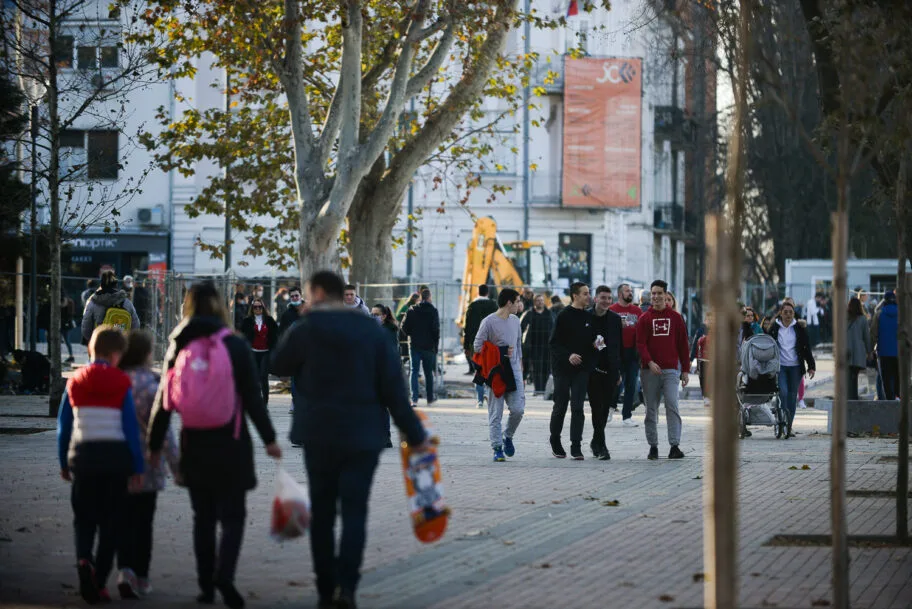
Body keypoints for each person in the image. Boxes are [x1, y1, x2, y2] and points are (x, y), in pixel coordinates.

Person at [271, 271, 430, 609]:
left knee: (324, 512)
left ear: (316, 293)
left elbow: (278, 364)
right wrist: (414, 434)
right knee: (355, 511)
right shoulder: (370, 330)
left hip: (319, 435)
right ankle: (348, 588)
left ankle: (325, 589)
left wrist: (298, 327)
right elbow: (393, 388)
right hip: (363, 436)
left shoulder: (307, 328)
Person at [148, 282, 280, 609]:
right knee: (233, 516)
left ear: (188, 306)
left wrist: (153, 445)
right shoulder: (234, 344)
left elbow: (164, 400)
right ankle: (226, 575)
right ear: (220, 306)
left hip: (194, 443)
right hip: (232, 442)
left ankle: (205, 586)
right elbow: (252, 398)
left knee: (202, 518)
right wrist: (270, 439)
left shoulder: (178, 344)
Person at [56, 326, 145, 604]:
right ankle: (101, 579)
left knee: (83, 520)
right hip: (115, 461)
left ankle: (84, 559)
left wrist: (64, 461)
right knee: (111, 523)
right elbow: (130, 428)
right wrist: (137, 465)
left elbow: (64, 427)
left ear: (91, 350)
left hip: (83, 459)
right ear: (116, 354)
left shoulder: (75, 380)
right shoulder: (120, 381)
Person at [116, 330, 181, 599]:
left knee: (122, 520)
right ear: (145, 354)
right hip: (147, 465)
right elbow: (164, 432)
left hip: (117, 463)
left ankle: (124, 570)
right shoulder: (153, 386)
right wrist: (178, 468)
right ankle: (141, 577)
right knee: (144, 523)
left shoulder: (115, 383)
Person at [636, 280, 690, 460]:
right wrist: (649, 362)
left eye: (660, 293)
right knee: (651, 410)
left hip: (671, 371)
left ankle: (674, 445)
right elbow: (640, 344)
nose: (656, 297)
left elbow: (683, 344)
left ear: (666, 296)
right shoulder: (644, 318)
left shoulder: (676, 318)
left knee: (672, 406)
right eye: (654, 294)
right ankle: (653, 446)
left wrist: (685, 369)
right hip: (649, 371)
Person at [473, 288, 525, 462]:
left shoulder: (516, 321)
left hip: (514, 370)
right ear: (509, 303)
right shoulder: (488, 322)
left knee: (518, 409)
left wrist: (520, 367)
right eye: (517, 301)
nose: (520, 304)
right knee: (496, 413)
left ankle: (507, 436)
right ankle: (497, 447)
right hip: (495, 371)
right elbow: (477, 346)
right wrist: (499, 351)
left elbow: (518, 346)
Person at [548, 282, 596, 460]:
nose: (588, 296)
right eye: (585, 293)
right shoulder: (563, 316)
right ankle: (555, 440)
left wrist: (597, 345)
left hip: (581, 369)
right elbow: (554, 343)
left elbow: (593, 342)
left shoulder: (589, 317)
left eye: (588, 293)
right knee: (560, 406)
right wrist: (568, 356)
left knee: (578, 407)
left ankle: (576, 445)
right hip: (562, 368)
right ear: (575, 296)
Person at [766, 300, 816, 437]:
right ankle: (781, 420)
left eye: (790, 312)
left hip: (795, 367)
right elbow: (767, 345)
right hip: (781, 366)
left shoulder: (799, 328)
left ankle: (789, 425)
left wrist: (811, 366)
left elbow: (807, 348)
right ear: (780, 313)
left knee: (793, 396)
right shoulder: (775, 328)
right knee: (783, 392)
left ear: (794, 314)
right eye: (785, 312)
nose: (788, 315)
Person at [588, 286, 623, 460]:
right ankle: (602, 446)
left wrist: (618, 371)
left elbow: (619, 345)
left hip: (610, 370)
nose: (607, 301)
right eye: (603, 297)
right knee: (596, 408)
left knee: (605, 409)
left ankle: (595, 441)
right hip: (592, 370)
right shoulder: (587, 317)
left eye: (609, 298)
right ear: (595, 299)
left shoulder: (615, 319)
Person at [610, 283, 643, 427]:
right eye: (627, 291)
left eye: (631, 291)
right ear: (619, 294)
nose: (630, 293)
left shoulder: (637, 310)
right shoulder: (612, 310)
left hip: (633, 352)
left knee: (631, 384)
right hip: (617, 352)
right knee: (616, 383)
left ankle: (627, 416)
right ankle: (610, 409)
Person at [401, 288, 440, 407]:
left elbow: (404, 327)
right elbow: (436, 330)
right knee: (428, 373)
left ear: (420, 297)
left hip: (414, 345)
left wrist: (410, 335)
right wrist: (435, 347)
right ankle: (429, 398)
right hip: (429, 347)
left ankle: (414, 399)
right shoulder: (433, 311)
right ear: (429, 297)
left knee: (414, 371)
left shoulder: (412, 309)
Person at [81, 270, 141, 343]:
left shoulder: (94, 301)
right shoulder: (125, 302)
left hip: (100, 341)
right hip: (120, 342)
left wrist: (91, 339)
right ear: (115, 283)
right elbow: (136, 324)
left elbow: (86, 325)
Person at [240, 298, 279, 406]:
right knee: (253, 377)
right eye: (255, 307)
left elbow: (276, 335)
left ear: (263, 307)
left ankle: (264, 402)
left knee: (263, 376)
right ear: (252, 309)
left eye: (259, 307)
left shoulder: (269, 320)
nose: (257, 309)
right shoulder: (247, 321)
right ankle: (253, 401)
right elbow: (242, 336)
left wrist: (274, 348)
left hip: (265, 352)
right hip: (252, 352)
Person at [464, 285, 498, 406]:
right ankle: (490, 395)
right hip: (492, 343)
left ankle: (479, 399)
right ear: (488, 293)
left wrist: (466, 346)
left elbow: (466, 327)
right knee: (491, 370)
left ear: (478, 292)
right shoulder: (494, 306)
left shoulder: (472, 306)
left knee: (479, 370)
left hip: (476, 343)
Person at [520, 294, 553, 395]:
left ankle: (544, 389)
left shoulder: (549, 314)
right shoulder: (529, 313)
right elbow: (520, 327)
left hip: (546, 346)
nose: (540, 302)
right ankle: (538, 389)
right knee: (536, 368)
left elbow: (554, 328)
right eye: (538, 300)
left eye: (542, 300)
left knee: (546, 368)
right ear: (534, 302)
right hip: (534, 346)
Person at [871, 290, 899, 399]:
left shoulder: (879, 314)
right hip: (899, 354)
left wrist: (870, 350)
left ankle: (889, 400)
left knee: (886, 379)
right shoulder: (903, 314)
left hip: (884, 353)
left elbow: (873, 334)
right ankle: (898, 398)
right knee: (898, 378)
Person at [846, 296, 872, 400]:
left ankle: (849, 396)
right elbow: (866, 336)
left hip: (846, 352)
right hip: (858, 352)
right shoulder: (863, 319)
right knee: (854, 375)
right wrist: (869, 351)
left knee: (848, 375)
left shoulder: (843, 318)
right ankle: (853, 397)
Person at [696, 311, 712, 407]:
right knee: (703, 378)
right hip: (703, 359)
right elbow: (696, 343)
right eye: (708, 319)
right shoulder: (701, 330)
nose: (710, 321)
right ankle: (706, 396)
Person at [61, 294, 76, 363]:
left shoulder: (65, 302)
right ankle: (71, 356)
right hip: (67, 324)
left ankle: (71, 356)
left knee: (66, 340)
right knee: (66, 340)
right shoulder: (70, 302)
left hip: (64, 324)